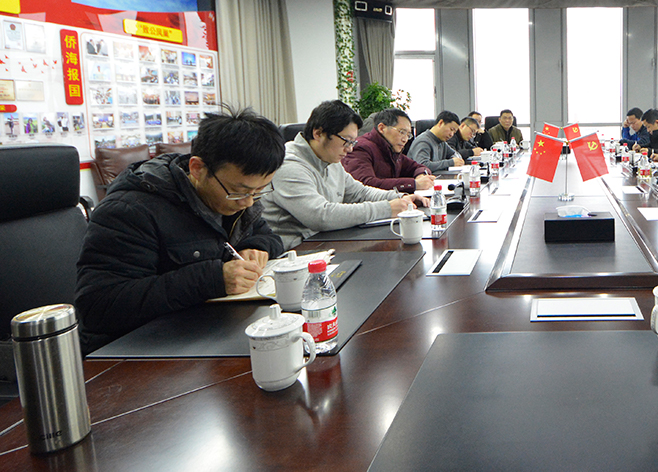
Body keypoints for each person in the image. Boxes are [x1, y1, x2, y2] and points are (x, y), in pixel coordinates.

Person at [75, 108, 286, 352]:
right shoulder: (131, 209)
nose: (248, 202)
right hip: (134, 353)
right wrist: (211, 280)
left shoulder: (234, 195)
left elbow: (267, 236)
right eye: (240, 191)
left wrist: (256, 247)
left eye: (258, 191)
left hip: (206, 333)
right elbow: (98, 306)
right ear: (197, 168)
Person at [263, 101, 426, 249]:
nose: (350, 149)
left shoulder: (330, 159)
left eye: (352, 142)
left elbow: (359, 192)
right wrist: (387, 208)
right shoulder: (288, 164)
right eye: (346, 141)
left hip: (326, 242)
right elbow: (321, 216)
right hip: (295, 252)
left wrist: (400, 197)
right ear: (318, 134)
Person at [343, 108, 435, 193]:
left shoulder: (392, 150)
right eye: (402, 132)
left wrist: (421, 175)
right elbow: (365, 185)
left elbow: (418, 167)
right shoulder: (361, 148)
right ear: (382, 128)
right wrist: (414, 184)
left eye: (408, 135)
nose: (405, 139)